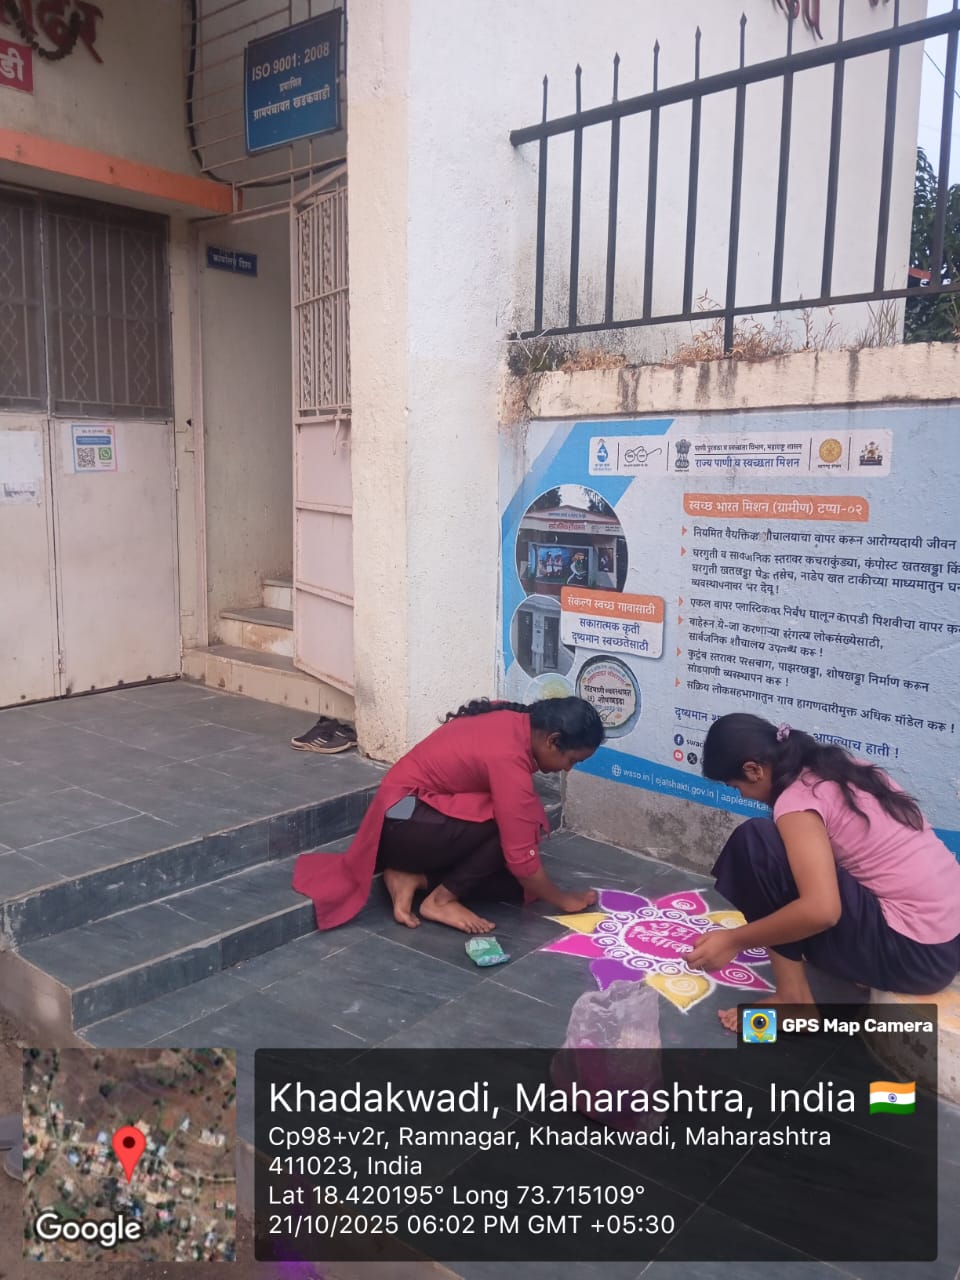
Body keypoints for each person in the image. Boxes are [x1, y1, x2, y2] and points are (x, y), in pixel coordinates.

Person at [686, 713, 960, 1030]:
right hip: (948, 941)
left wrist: (733, 941)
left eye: (736, 787)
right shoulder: (844, 770)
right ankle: (847, 966)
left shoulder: (797, 802)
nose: (743, 796)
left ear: (754, 770)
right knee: (797, 862)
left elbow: (822, 912)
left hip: (914, 956)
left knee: (756, 843)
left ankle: (794, 1003)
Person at [292, 696, 605, 935]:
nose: (568, 769)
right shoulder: (508, 758)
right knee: (513, 833)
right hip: (400, 820)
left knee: (515, 883)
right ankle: (440, 900)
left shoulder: (514, 718)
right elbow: (522, 859)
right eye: (571, 760)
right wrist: (563, 899)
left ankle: (411, 876)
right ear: (552, 740)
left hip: (399, 814)